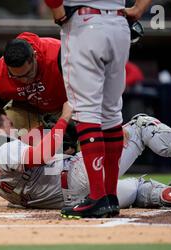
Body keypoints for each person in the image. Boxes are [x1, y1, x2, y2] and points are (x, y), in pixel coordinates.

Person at [0, 107, 171, 212]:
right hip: (81, 180)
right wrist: (64, 118)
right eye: (9, 122)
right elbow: (41, 155)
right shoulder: (4, 147)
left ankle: (169, 195)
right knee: (140, 124)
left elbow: (37, 173)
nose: (14, 125)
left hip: (73, 198)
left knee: (136, 188)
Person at [44, 0, 152, 218]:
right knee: (111, 113)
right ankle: (110, 196)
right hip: (119, 25)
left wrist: (58, 12)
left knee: (86, 111)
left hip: (84, 23)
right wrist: (140, 8)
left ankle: (97, 196)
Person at [0, 32, 67, 130]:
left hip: (65, 108)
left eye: (28, 74)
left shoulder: (60, 55)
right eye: (16, 77)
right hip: (29, 111)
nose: (24, 80)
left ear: (34, 56)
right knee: (1, 123)